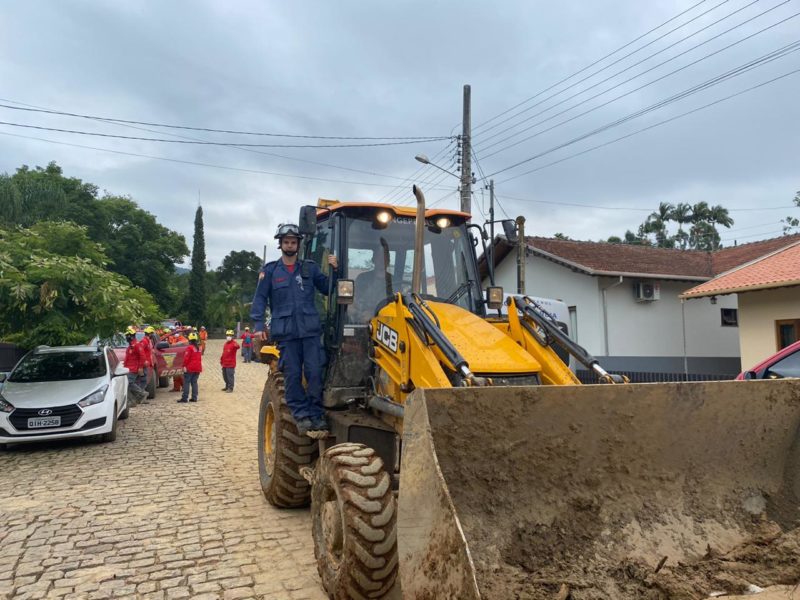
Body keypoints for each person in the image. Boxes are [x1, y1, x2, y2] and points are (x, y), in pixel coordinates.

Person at [251, 223, 338, 438]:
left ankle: (316, 415)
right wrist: (259, 324)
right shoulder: (270, 271)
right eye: (286, 242)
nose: (290, 245)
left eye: (293, 242)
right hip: (287, 333)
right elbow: (260, 299)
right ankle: (301, 416)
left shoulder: (309, 268)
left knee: (315, 373)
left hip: (309, 331)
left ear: (298, 245)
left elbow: (328, 288)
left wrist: (335, 270)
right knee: (292, 376)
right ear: (280, 245)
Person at [351, 247, 394, 323]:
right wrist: (364, 312)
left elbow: (396, 304)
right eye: (379, 257)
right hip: (365, 318)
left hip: (388, 319)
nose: (382, 260)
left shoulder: (394, 281)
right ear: (373, 259)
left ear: (388, 261)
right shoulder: (363, 278)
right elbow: (356, 300)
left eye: (385, 257)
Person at [123, 327, 147, 400]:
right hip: (128, 368)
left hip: (134, 368)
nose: (126, 337)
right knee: (127, 385)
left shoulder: (137, 345)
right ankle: (132, 401)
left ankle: (142, 393)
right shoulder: (130, 346)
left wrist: (140, 367)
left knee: (129, 383)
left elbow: (142, 357)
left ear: (131, 336)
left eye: (127, 336)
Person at [179, 332, 202, 403]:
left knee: (186, 382)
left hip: (190, 368)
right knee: (194, 383)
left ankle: (185, 398)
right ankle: (194, 398)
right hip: (198, 368)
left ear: (189, 339)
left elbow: (186, 358)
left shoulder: (189, 348)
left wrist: (183, 366)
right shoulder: (199, 348)